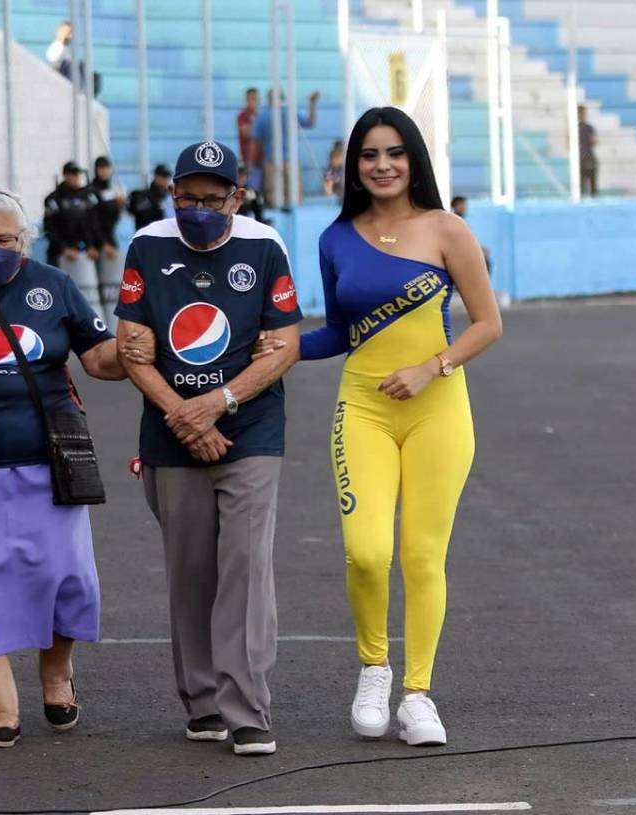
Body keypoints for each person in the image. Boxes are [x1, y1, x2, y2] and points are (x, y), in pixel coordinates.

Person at [256, 107, 502, 747]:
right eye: (370, 155)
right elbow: (339, 331)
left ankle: (417, 693)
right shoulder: (336, 238)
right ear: (353, 166)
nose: (383, 165)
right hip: (361, 409)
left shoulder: (447, 229)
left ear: (414, 158)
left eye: (394, 152)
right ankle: (374, 668)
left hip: (439, 409)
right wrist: (277, 349)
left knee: (423, 556)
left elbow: (486, 323)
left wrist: (431, 367)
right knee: (368, 552)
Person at [0, 188, 155, 749]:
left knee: (68, 576)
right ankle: (1, 708)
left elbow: (97, 358)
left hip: (53, 455)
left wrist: (135, 347)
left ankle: (56, 672)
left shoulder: (54, 285)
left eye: (4, 240)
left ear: (24, 240)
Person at [115, 140, 304, 757]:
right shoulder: (147, 244)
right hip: (172, 431)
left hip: (249, 429)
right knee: (191, 569)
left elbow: (283, 346)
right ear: (172, 194)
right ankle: (201, 703)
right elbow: (133, 347)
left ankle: (246, 707)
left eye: (212, 198)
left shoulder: (264, 246)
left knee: (246, 567)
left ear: (237, 197)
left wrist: (218, 403)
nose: (198, 208)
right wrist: (185, 415)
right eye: (187, 196)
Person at [43, 162, 104, 317]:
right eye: (74, 174)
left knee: (86, 293)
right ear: (66, 175)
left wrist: (92, 246)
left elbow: (91, 224)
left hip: (81, 252)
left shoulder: (86, 196)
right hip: (60, 252)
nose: (77, 178)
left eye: (79, 175)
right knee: (58, 291)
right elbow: (50, 228)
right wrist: (64, 248)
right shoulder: (54, 198)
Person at [253, 89, 320, 208]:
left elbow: (256, 143)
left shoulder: (262, 116)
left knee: (273, 197)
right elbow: (311, 122)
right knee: (294, 196)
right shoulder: (290, 113)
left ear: (269, 100)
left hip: (271, 160)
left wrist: (255, 162)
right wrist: (312, 104)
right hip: (291, 159)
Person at [91, 156, 126, 328]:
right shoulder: (92, 191)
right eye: (101, 168)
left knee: (111, 287)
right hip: (98, 244)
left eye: (107, 168)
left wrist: (119, 205)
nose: (105, 171)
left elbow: (112, 220)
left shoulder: (112, 190)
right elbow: (93, 221)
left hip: (111, 240)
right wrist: (102, 243)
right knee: (95, 287)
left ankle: (112, 323)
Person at [128, 164, 174, 230]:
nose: (166, 180)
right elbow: (139, 214)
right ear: (156, 176)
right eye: (163, 177)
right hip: (147, 235)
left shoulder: (170, 196)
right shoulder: (142, 196)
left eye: (167, 177)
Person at [236, 87, 262, 188]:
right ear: (247, 100)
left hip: (262, 157)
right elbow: (246, 132)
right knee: (253, 188)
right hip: (249, 158)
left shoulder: (259, 115)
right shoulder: (243, 116)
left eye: (256, 99)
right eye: (252, 98)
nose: (254, 101)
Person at [578, 105, 598, 197]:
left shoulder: (573, 128)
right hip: (588, 158)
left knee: (581, 188)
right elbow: (594, 142)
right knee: (592, 186)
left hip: (579, 158)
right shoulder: (589, 127)